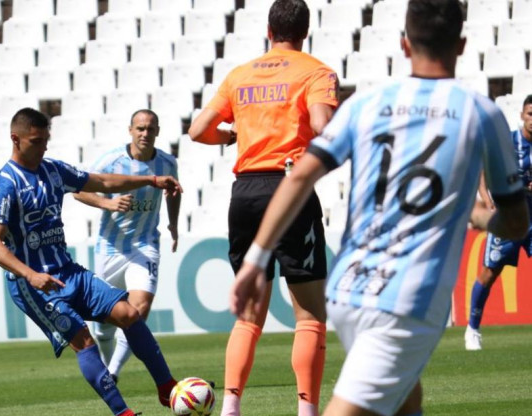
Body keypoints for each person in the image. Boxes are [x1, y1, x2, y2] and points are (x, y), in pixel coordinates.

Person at [230, 0, 530, 415]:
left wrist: (254, 261)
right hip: (406, 298)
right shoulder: (482, 114)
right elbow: (516, 223)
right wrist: (476, 214)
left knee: (408, 401)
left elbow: (299, 176)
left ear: (404, 45)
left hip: (349, 290)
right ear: (461, 46)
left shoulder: (366, 104)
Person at [188, 0, 339, 414]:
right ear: (304, 32)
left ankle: (231, 407)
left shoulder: (240, 75)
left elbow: (198, 130)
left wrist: (233, 137)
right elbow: (325, 127)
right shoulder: (316, 71)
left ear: (268, 31)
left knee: (249, 317)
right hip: (290, 186)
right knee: (308, 315)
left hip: (245, 191)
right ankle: (307, 409)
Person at [0, 108, 182, 416]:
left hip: (69, 272)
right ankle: (123, 412)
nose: (44, 146)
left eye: (46, 139)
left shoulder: (53, 170)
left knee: (129, 313)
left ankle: (167, 387)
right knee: (84, 340)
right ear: (15, 139)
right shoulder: (4, 186)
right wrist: (30, 274)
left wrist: (151, 180)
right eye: (36, 141)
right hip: (35, 286)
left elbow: (102, 180)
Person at [73, 109, 181, 380]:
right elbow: (78, 189)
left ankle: (112, 373)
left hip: (145, 245)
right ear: (130, 130)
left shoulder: (167, 163)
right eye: (140, 128)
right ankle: (110, 364)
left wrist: (174, 224)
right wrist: (107, 202)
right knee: (103, 328)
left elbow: (173, 192)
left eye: (150, 129)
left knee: (138, 310)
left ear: (158, 131)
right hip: (110, 248)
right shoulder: (111, 161)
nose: (145, 133)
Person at [465, 94, 532, 351]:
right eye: (530, 114)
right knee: (491, 272)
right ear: (522, 115)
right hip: (510, 215)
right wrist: (487, 200)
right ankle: (472, 329)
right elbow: (482, 169)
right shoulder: (510, 142)